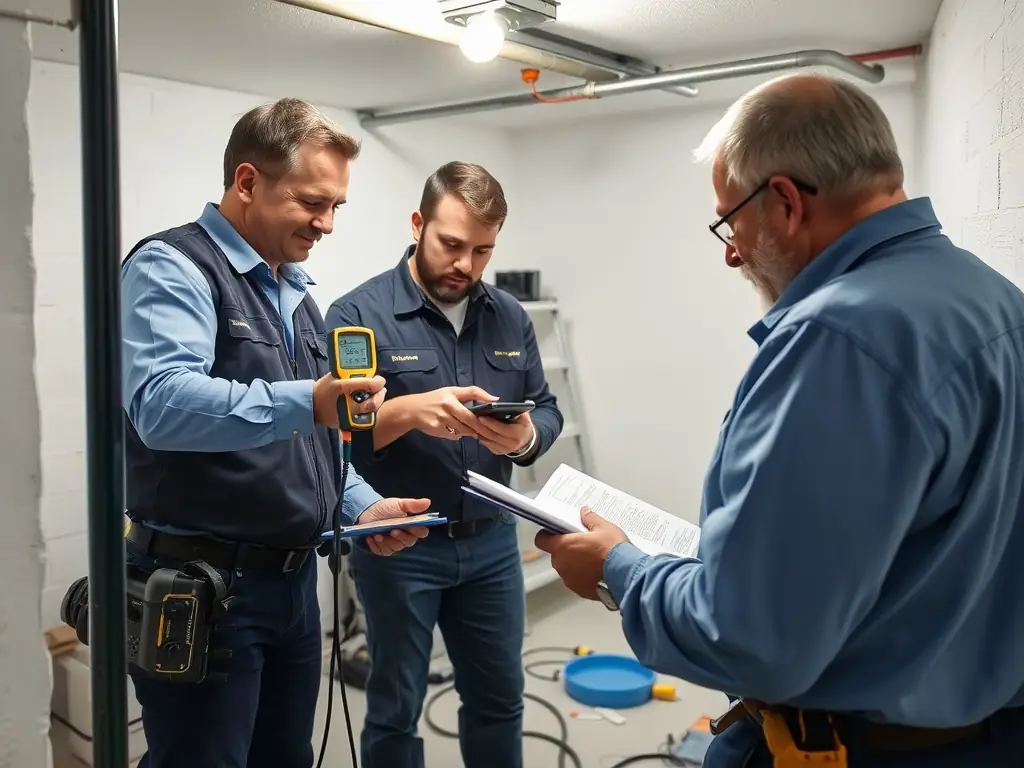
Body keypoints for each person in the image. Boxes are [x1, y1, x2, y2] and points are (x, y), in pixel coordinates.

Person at [537, 73, 1024, 767]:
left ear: (786, 202)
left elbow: (752, 641)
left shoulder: (839, 338)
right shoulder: (994, 298)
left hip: (862, 747)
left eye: (729, 222)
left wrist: (620, 570)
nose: (732, 251)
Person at [120, 97, 433, 768]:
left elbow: (312, 441)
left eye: (336, 207)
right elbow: (160, 403)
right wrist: (307, 402)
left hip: (291, 588)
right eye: (311, 203)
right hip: (206, 589)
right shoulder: (172, 267)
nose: (325, 224)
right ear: (247, 182)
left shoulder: (295, 294)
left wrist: (362, 505)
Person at [324, 161, 564, 768]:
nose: (466, 264)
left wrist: (526, 438)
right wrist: (406, 411)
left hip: (492, 545)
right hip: (401, 546)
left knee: (499, 701)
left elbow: (547, 410)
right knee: (395, 709)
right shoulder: (358, 315)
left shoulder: (510, 316)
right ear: (417, 224)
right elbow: (329, 437)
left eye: (482, 250)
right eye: (452, 244)